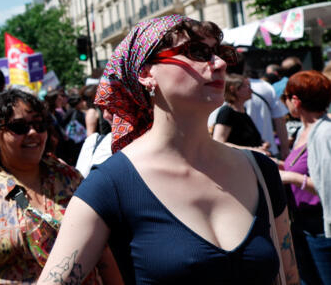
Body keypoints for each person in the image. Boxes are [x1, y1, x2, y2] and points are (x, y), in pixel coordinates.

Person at [37, 15, 298, 285]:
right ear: (147, 73)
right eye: (197, 52)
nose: (219, 63)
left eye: (220, 53)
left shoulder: (260, 171)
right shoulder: (112, 184)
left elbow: (290, 278)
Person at [0, 89, 119, 284]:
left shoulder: (70, 180)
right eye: (19, 127)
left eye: (39, 125)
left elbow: (103, 254)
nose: (33, 133)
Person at [279, 70, 331, 285]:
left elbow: (326, 185)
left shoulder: (325, 132)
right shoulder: (304, 130)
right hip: (302, 225)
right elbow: (307, 168)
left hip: (320, 228)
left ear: (296, 100)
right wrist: (279, 166)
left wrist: (290, 177)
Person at [212, 74, 268, 151]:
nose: (250, 90)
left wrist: (262, 145)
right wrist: (253, 150)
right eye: (245, 86)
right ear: (233, 89)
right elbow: (219, 141)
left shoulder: (242, 112)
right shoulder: (227, 112)